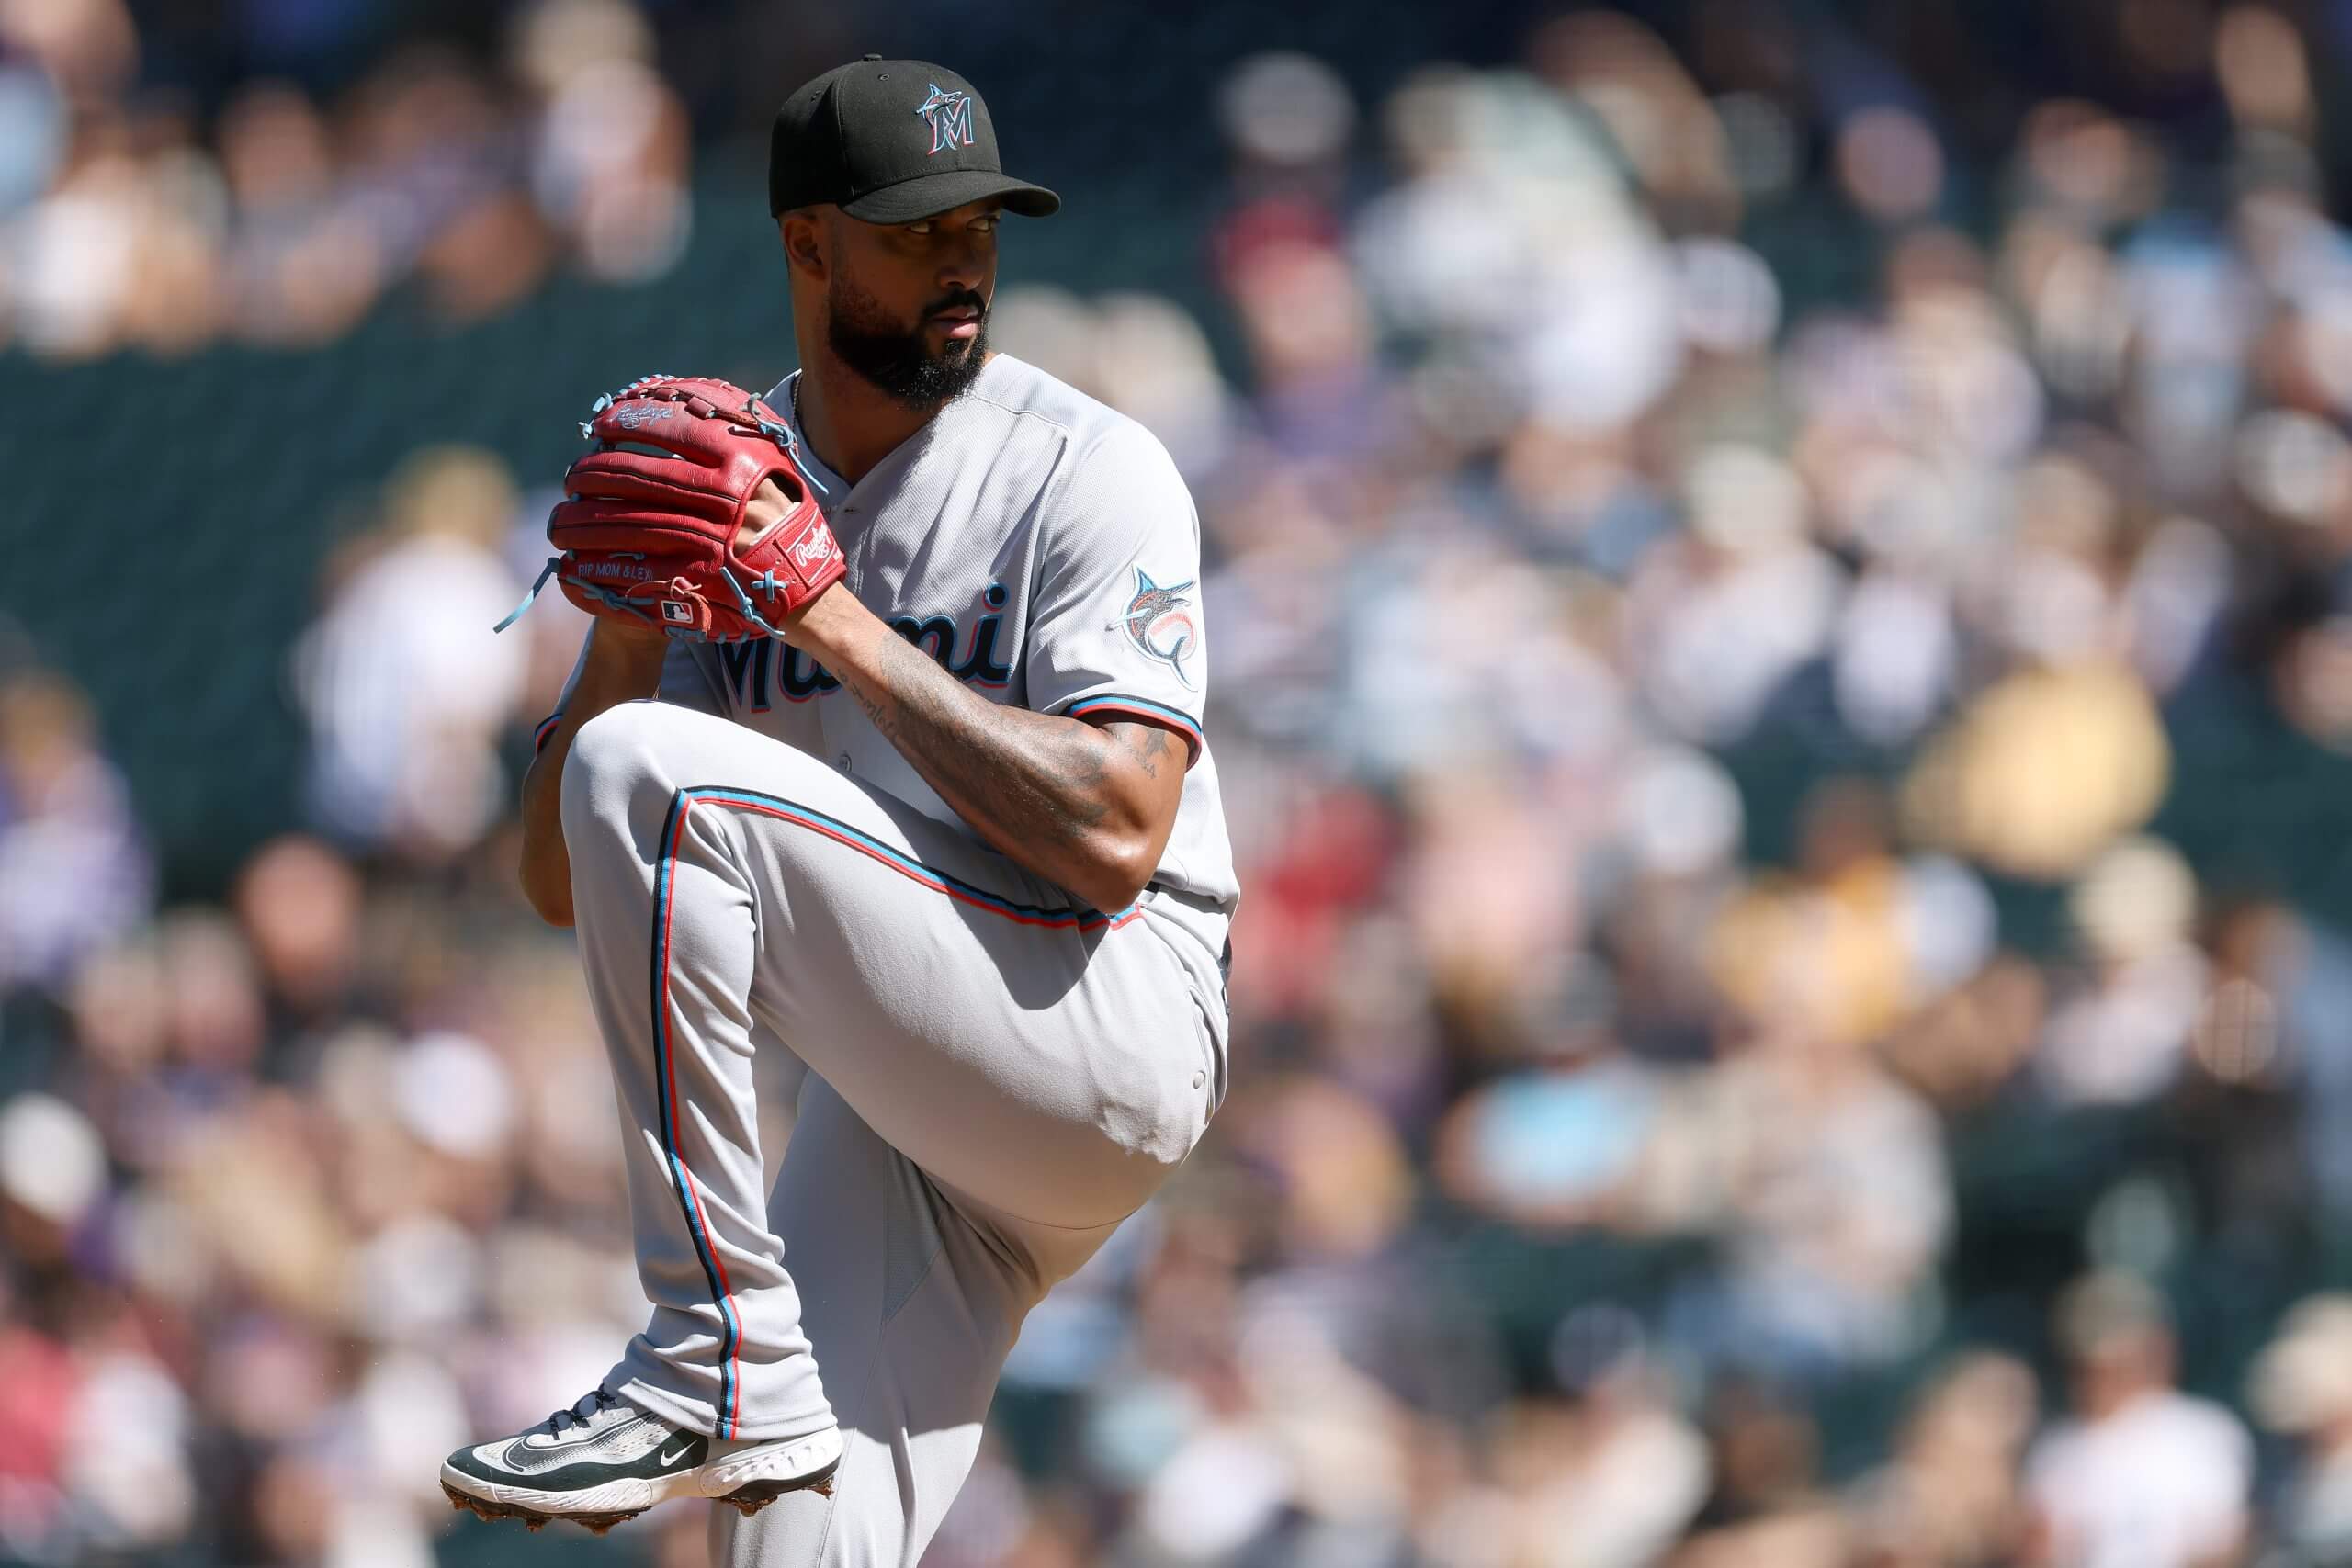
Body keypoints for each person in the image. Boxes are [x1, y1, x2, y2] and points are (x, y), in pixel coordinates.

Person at [437, 57, 1237, 1568]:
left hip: (1102, 1010)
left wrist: (832, 624)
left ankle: (707, 1348)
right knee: (791, 1544)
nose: (964, 260)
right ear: (810, 247)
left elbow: (1123, 833)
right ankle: (739, 1368)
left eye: (981, 223)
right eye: (919, 227)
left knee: (645, 773)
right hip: (917, 1107)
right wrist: (619, 631)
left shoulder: (1086, 467)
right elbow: (557, 882)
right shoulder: (731, 485)